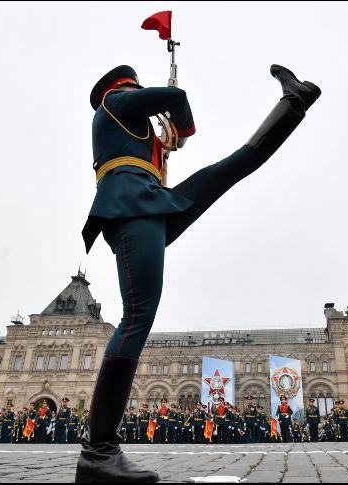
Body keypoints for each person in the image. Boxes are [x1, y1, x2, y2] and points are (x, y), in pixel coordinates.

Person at [76, 63, 320, 483]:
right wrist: (181, 128)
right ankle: (98, 454)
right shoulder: (113, 104)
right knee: (137, 316)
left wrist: (166, 142)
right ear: (122, 86)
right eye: (136, 86)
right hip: (132, 205)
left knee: (234, 167)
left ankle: (294, 101)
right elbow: (176, 99)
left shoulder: (136, 133)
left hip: (151, 202)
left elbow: (160, 144)